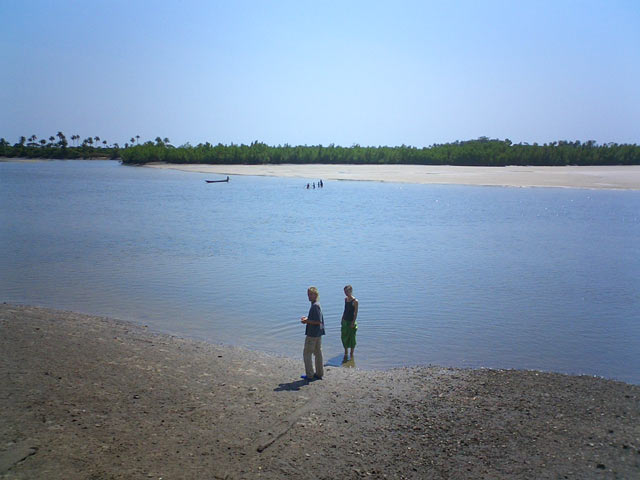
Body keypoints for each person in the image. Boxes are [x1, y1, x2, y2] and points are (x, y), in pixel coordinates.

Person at [300, 286, 325, 381]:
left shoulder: (315, 306)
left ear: (316, 295)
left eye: (311, 294)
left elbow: (318, 321)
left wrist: (306, 321)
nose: (309, 296)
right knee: (318, 353)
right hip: (318, 333)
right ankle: (319, 373)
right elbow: (317, 320)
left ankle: (310, 374)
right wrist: (307, 319)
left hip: (313, 334)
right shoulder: (316, 305)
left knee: (307, 353)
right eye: (308, 294)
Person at [341, 285, 358, 361]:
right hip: (345, 320)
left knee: (352, 338)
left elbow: (355, 312)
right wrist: (342, 318)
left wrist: (353, 322)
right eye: (345, 292)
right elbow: (345, 310)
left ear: (351, 291)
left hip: (351, 321)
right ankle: (345, 352)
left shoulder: (355, 301)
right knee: (344, 336)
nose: (346, 293)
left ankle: (351, 353)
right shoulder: (345, 299)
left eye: (347, 291)